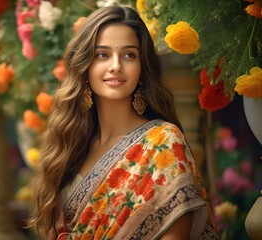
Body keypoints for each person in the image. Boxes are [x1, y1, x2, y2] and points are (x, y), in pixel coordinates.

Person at [28, 5, 219, 240]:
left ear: (142, 67)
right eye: (102, 55)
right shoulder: (71, 146)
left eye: (129, 55)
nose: (116, 65)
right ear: (85, 65)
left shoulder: (161, 143)